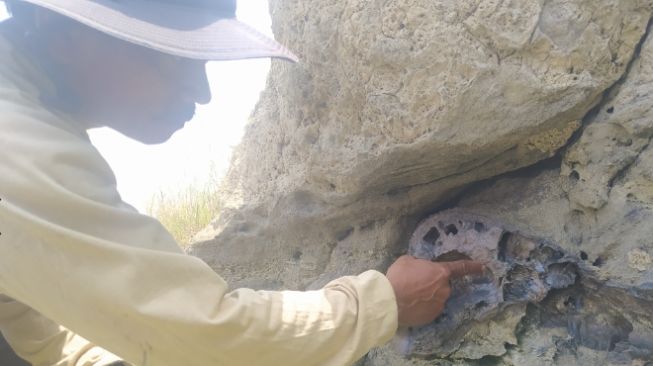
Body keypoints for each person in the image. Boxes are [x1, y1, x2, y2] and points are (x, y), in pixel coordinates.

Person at [0, 1, 485, 365]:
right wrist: (383, 304)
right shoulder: (16, 140)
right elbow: (200, 331)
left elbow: (44, 332)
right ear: (63, 34)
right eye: (173, 57)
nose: (202, 92)